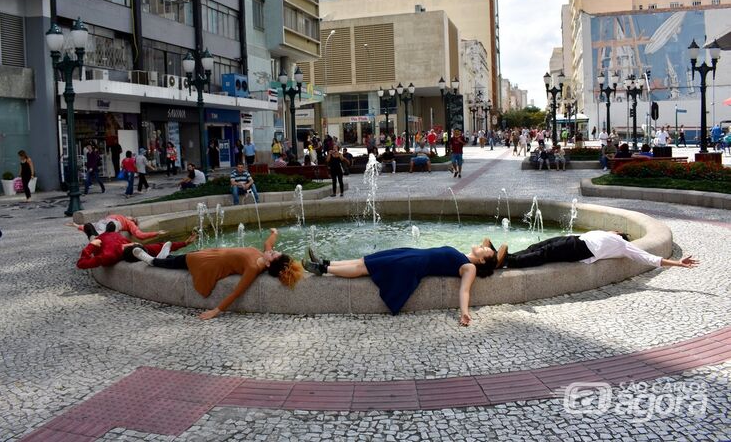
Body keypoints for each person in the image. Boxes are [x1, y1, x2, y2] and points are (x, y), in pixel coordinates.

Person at [302, 242, 504, 326]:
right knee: (365, 260)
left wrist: (464, 313)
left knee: (365, 267)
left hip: (411, 264)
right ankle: (324, 262)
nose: (484, 246)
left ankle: (323, 270)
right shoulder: (465, 255)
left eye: (487, 251)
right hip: (412, 254)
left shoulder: (470, 267)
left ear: (484, 261)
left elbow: (465, 290)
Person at [132, 228, 302, 320]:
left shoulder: (253, 268)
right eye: (274, 251)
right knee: (181, 260)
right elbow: (268, 243)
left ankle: (152, 261)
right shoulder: (263, 257)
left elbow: (237, 292)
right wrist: (274, 233)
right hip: (214, 254)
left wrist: (215, 311)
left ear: (268, 262)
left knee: (183, 261)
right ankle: (164, 257)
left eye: (273, 254)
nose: (272, 250)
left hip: (211, 264)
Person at [502, 230, 697, 270]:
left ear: (620, 235)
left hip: (581, 248)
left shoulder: (623, 245)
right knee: (538, 246)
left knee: (546, 253)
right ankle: (508, 256)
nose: (614, 229)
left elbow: (649, 258)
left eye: (617, 230)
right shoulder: (605, 233)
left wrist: (677, 263)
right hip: (574, 239)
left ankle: (510, 262)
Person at [76, 230, 195, 269]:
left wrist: (184, 243)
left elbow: (157, 246)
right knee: (89, 230)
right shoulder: (109, 255)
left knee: (154, 250)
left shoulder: (112, 251)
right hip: (101, 242)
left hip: (102, 240)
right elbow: (81, 264)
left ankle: (156, 259)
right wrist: (91, 245)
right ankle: (156, 259)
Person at [70, 214, 166, 241]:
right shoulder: (123, 217)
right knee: (95, 229)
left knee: (105, 230)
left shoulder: (130, 224)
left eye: (134, 218)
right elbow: (93, 227)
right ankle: (94, 239)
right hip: (103, 222)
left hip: (114, 224)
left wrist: (156, 233)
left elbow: (140, 235)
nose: (131, 217)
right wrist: (77, 226)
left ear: (133, 221)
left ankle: (95, 240)